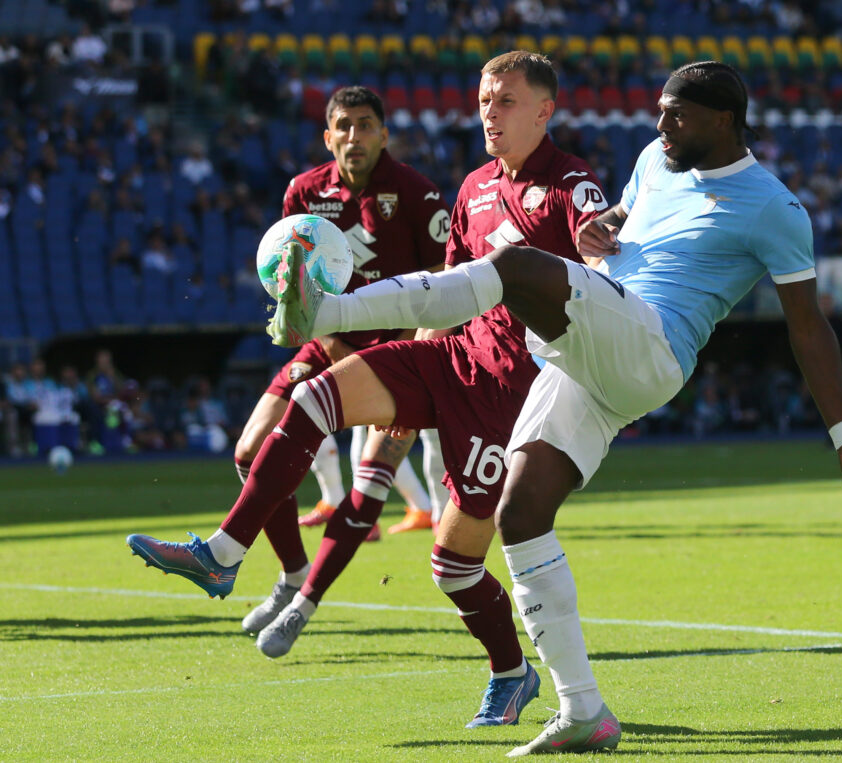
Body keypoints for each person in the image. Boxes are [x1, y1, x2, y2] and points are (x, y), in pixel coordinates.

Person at [257, 60, 842, 756]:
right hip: (587, 356)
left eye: (676, 114)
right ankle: (582, 711)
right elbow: (625, 219)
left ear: (723, 121)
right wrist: (604, 227)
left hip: (651, 345)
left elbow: (808, 325)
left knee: (514, 265)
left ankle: (325, 310)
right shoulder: (656, 160)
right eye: (660, 110)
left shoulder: (774, 207)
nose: (660, 124)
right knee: (519, 514)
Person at [126, 52, 610, 730]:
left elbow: (606, 265)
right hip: (451, 355)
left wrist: (599, 253)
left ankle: (511, 672)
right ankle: (224, 554)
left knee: (453, 565)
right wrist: (412, 378)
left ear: (544, 111)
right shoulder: (473, 188)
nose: (489, 114)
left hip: (513, 395)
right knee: (314, 399)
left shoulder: (571, 185)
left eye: (504, 101)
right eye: (483, 101)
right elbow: (445, 291)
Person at [227, 85, 449, 630]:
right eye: (344, 126)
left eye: (365, 124)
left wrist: (409, 359)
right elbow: (293, 290)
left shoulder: (418, 194)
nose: (355, 136)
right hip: (329, 342)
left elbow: (444, 287)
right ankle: (291, 574)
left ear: (384, 134)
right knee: (249, 451)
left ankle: (305, 603)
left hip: (399, 353)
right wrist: (332, 343)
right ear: (328, 137)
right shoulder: (303, 193)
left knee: (370, 480)